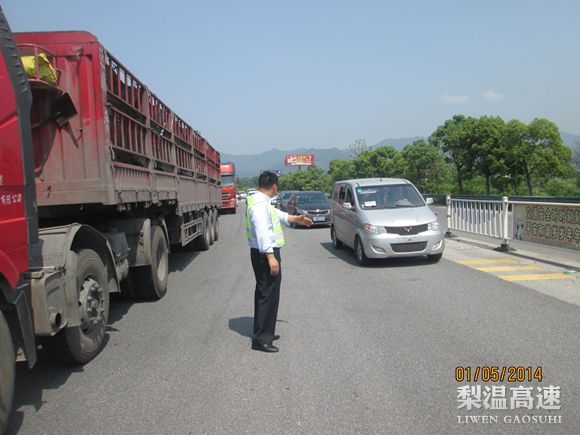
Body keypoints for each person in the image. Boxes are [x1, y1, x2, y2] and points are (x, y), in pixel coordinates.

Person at [245, 171, 313, 353]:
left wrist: (295, 218)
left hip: (263, 252)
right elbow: (262, 231)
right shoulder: (259, 205)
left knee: (267, 293)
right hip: (265, 253)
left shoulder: (260, 201)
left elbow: (277, 215)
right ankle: (261, 339)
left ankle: (265, 332)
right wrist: (270, 257)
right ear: (274, 186)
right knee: (267, 294)